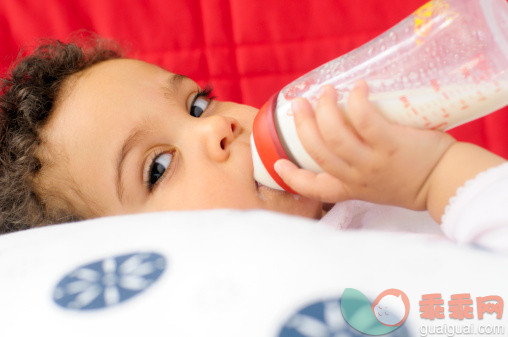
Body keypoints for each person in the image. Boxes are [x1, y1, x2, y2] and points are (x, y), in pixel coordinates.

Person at [0, 37, 506, 249]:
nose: (215, 127)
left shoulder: (380, 195)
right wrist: (436, 175)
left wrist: (436, 177)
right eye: (156, 167)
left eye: (197, 104)